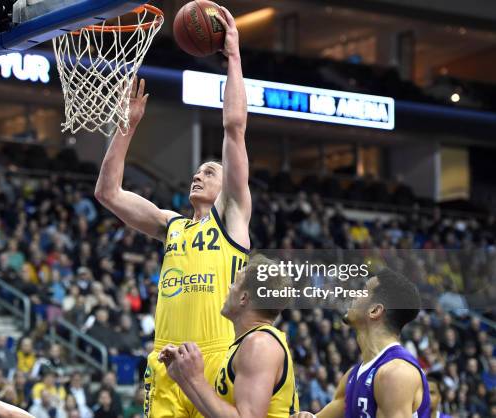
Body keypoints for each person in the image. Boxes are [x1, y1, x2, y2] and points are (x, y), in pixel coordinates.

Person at [94, 6, 251, 418]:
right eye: (197, 171)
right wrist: (126, 127)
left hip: (214, 358)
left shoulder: (232, 216)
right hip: (164, 362)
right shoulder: (172, 225)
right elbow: (108, 192)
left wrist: (232, 57)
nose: (198, 175)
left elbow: (234, 128)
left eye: (210, 171)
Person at [159, 255, 299, 417]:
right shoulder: (251, 342)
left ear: (243, 298)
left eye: (235, 283)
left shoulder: (259, 344)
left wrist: (196, 378)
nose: (229, 287)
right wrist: (183, 377)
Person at [292, 268, 430, 418]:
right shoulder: (353, 375)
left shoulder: (396, 373)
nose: (354, 294)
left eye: (363, 291)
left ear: (375, 310)